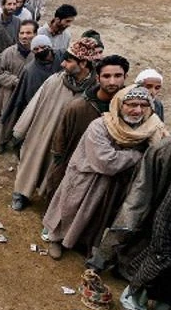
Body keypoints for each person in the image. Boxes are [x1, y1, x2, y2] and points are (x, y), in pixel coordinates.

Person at [44, 86, 168, 259]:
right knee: (70, 210)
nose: (137, 110)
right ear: (119, 105)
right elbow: (106, 162)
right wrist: (137, 155)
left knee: (96, 217)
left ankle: (81, 243)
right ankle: (55, 240)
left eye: (143, 105)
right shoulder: (100, 126)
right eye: (131, 104)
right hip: (86, 178)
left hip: (115, 184)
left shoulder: (150, 128)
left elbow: (161, 151)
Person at [11, 38, 101, 211]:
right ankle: (21, 193)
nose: (62, 63)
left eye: (68, 61)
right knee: (32, 161)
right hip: (43, 133)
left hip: (68, 141)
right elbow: (34, 105)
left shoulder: (95, 91)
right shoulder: (55, 81)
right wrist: (19, 131)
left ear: (83, 63)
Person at [42, 55, 129, 202]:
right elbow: (60, 143)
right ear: (98, 78)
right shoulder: (78, 107)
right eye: (106, 76)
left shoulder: (131, 109)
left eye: (118, 76)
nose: (112, 81)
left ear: (125, 77)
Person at [119, 170, 171, 310]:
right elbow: (165, 217)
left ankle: (164, 300)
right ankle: (132, 299)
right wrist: (163, 243)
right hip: (170, 235)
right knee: (156, 264)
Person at [0, 20, 35, 154]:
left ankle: (18, 142)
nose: (24, 36)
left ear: (35, 34)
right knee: (4, 116)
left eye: (28, 33)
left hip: (28, 95)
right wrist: (15, 81)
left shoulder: (37, 54)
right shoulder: (8, 53)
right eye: (22, 33)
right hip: (8, 94)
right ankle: (1, 141)